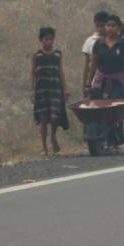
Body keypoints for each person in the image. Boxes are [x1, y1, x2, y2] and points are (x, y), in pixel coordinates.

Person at [86, 14, 124, 152]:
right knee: (99, 110)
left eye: (113, 25)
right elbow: (93, 66)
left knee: (113, 111)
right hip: (101, 82)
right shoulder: (98, 44)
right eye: (108, 25)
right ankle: (99, 138)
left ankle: (113, 141)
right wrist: (88, 83)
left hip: (117, 83)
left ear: (118, 28)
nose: (110, 28)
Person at [31, 26, 69, 156]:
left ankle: (53, 137)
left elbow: (61, 72)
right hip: (41, 90)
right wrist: (31, 91)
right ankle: (44, 147)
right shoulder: (36, 55)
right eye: (46, 39)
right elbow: (32, 74)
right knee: (43, 118)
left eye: (51, 39)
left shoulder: (57, 54)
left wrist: (65, 89)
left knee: (54, 118)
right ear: (41, 40)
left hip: (55, 88)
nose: (49, 42)